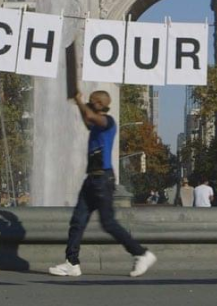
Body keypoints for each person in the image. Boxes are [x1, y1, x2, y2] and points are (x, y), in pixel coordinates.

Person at [49, 90, 156, 278]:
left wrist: (80, 101)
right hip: (92, 179)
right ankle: (72, 262)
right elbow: (87, 119)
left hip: (102, 179)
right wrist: (80, 104)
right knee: (77, 220)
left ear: (99, 104)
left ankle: (141, 253)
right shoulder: (96, 125)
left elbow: (89, 115)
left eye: (92, 102)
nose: (89, 105)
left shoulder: (108, 122)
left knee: (108, 223)